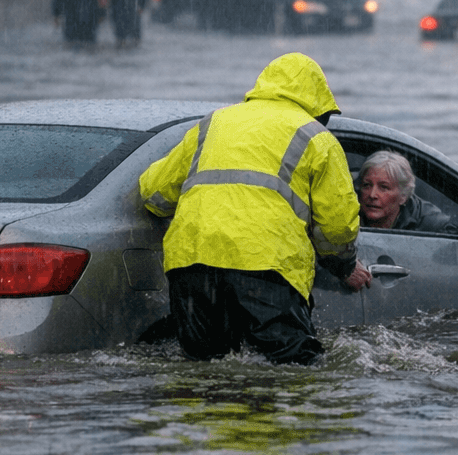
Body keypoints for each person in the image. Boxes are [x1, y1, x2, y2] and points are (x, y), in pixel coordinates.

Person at [139, 53, 372, 364]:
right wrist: (343, 267)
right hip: (267, 265)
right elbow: (337, 226)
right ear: (318, 100)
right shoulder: (318, 138)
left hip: (192, 262)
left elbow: (154, 193)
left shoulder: (214, 123)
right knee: (294, 369)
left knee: (202, 368)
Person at [355, 150, 454, 232]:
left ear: (403, 196)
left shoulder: (431, 224)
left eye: (384, 187)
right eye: (367, 185)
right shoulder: (347, 213)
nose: (372, 195)